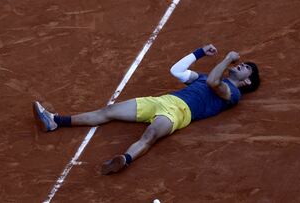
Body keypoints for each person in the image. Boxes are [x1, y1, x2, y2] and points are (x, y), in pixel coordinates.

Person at [32, 44, 260, 175]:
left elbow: (213, 82)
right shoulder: (203, 77)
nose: (240, 65)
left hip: (179, 113)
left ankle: (125, 159)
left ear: (247, 82)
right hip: (161, 101)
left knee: (149, 136)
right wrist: (199, 52)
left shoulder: (233, 93)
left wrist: (228, 58)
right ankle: (55, 121)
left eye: (246, 68)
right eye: (241, 63)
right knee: (108, 111)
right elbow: (177, 71)